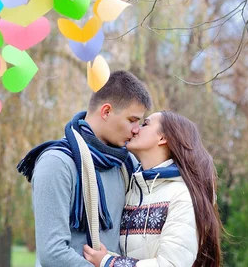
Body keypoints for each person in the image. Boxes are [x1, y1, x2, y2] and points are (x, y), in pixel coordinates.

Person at [17, 71, 152, 266]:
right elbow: (53, 254)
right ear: (106, 112)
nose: (136, 129)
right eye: (132, 120)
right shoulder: (56, 163)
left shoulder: (126, 163)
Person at [83, 111, 222, 267]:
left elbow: (171, 264)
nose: (135, 129)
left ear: (162, 138)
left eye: (145, 124)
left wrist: (108, 262)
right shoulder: (133, 189)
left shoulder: (182, 196)